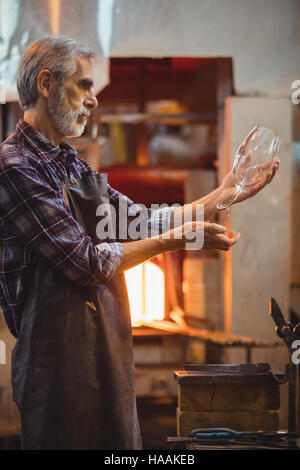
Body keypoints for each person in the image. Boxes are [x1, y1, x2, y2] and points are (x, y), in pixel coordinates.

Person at [0, 35, 279, 449]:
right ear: (46, 84)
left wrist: (225, 193)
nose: (93, 99)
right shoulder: (15, 166)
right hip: (52, 369)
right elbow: (85, 262)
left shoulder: (70, 162)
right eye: (84, 85)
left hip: (103, 352)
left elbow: (139, 221)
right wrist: (182, 239)